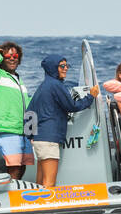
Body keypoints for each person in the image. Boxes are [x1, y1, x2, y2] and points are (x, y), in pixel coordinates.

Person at [27, 55, 100, 187]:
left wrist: (31, 136)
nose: (66, 68)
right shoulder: (56, 85)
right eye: (62, 66)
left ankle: (37, 206)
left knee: (40, 182)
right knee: (49, 183)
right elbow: (72, 106)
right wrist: (91, 96)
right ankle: (47, 207)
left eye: (67, 66)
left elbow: (29, 112)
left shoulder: (43, 86)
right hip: (49, 139)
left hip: (40, 140)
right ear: (53, 68)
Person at [0, 41, 33, 179]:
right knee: (14, 167)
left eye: (15, 55)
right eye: (8, 55)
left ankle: (16, 193)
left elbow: (28, 106)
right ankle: (9, 196)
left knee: (22, 167)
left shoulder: (19, 80)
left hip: (23, 131)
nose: (12, 58)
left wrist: (31, 132)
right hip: (7, 129)